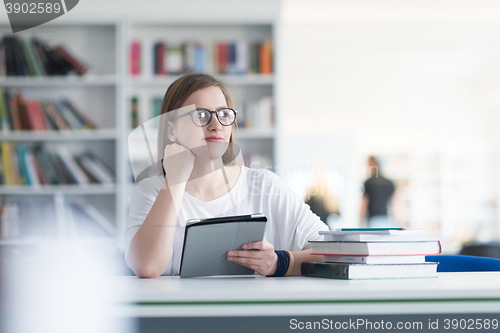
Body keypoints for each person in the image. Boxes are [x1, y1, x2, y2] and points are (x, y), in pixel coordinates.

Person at [125, 72, 328, 278]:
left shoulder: (265, 186)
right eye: (201, 115)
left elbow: (333, 251)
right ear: (171, 130)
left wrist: (280, 262)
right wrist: (175, 180)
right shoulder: (151, 191)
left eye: (224, 114)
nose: (216, 125)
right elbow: (147, 267)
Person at [359, 156, 397, 228]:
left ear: (372, 164)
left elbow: (364, 204)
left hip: (373, 220)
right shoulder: (388, 182)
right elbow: (395, 204)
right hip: (386, 220)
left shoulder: (368, 182)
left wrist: (360, 224)